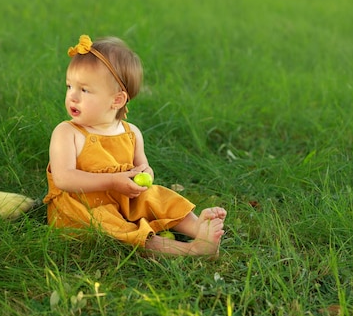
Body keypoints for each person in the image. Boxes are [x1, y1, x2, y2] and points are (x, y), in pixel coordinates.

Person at [43, 34, 226, 257]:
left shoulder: (131, 133)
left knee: (158, 196)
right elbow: (64, 179)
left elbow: (144, 168)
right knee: (119, 230)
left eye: (84, 90)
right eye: (69, 86)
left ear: (117, 100)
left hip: (123, 199)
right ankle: (192, 250)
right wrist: (112, 180)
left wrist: (145, 175)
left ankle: (197, 227)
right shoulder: (67, 132)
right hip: (82, 208)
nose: (72, 96)